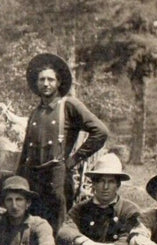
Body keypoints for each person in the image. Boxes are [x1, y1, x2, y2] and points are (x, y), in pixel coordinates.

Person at [16, 52, 108, 231]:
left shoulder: (69, 106)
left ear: (58, 83)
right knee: (32, 227)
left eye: (50, 79)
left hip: (56, 179)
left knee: (58, 229)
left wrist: (74, 159)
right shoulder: (35, 113)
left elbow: (101, 132)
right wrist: (18, 180)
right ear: (36, 83)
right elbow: (26, 151)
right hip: (33, 179)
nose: (45, 84)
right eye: (41, 80)